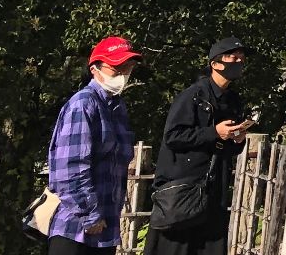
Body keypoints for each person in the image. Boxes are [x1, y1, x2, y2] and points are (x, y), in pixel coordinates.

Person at [144, 38, 252, 255]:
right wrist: (214, 132)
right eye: (233, 57)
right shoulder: (193, 96)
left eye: (242, 57)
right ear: (215, 63)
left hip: (214, 191)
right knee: (174, 248)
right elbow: (173, 136)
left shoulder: (233, 100)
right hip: (184, 191)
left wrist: (237, 140)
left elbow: (225, 146)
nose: (239, 61)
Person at [45, 37, 140, 255]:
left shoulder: (117, 106)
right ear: (95, 69)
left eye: (128, 67)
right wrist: (90, 215)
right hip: (76, 229)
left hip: (105, 228)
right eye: (116, 67)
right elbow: (70, 168)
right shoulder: (83, 104)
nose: (123, 73)